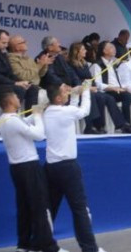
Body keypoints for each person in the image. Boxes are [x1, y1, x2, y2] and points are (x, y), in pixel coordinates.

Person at [43, 84, 106, 252]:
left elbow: (71, 108)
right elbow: (83, 111)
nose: (67, 92)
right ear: (57, 98)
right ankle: (89, 248)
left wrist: (76, 94)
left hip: (50, 167)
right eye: (64, 91)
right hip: (67, 168)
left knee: (50, 207)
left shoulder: (48, 111)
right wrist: (85, 92)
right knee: (80, 209)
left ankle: (43, 245)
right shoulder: (65, 113)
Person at [0, 92, 61, 252]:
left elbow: (23, 123)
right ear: (10, 101)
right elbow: (39, 135)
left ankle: (24, 244)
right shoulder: (12, 121)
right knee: (40, 206)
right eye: (16, 98)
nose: (19, 99)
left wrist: (35, 113)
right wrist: (38, 117)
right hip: (29, 166)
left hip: (17, 168)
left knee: (24, 206)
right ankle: (48, 246)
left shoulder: (4, 119)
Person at [57, 42, 129, 135]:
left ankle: (120, 124)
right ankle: (91, 126)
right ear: (77, 52)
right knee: (95, 96)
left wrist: (93, 86)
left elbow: (90, 77)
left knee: (108, 98)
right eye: (83, 49)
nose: (85, 51)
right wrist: (87, 88)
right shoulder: (70, 64)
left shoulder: (84, 63)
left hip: (88, 87)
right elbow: (75, 79)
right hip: (79, 89)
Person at [89, 41, 131, 133]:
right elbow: (97, 84)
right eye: (110, 47)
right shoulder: (97, 64)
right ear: (104, 51)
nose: (114, 49)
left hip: (117, 89)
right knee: (126, 95)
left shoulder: (113, 63)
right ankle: (125, 123)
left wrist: (122, 87)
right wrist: (112, 88)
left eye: (114, 47)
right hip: (106, 90)